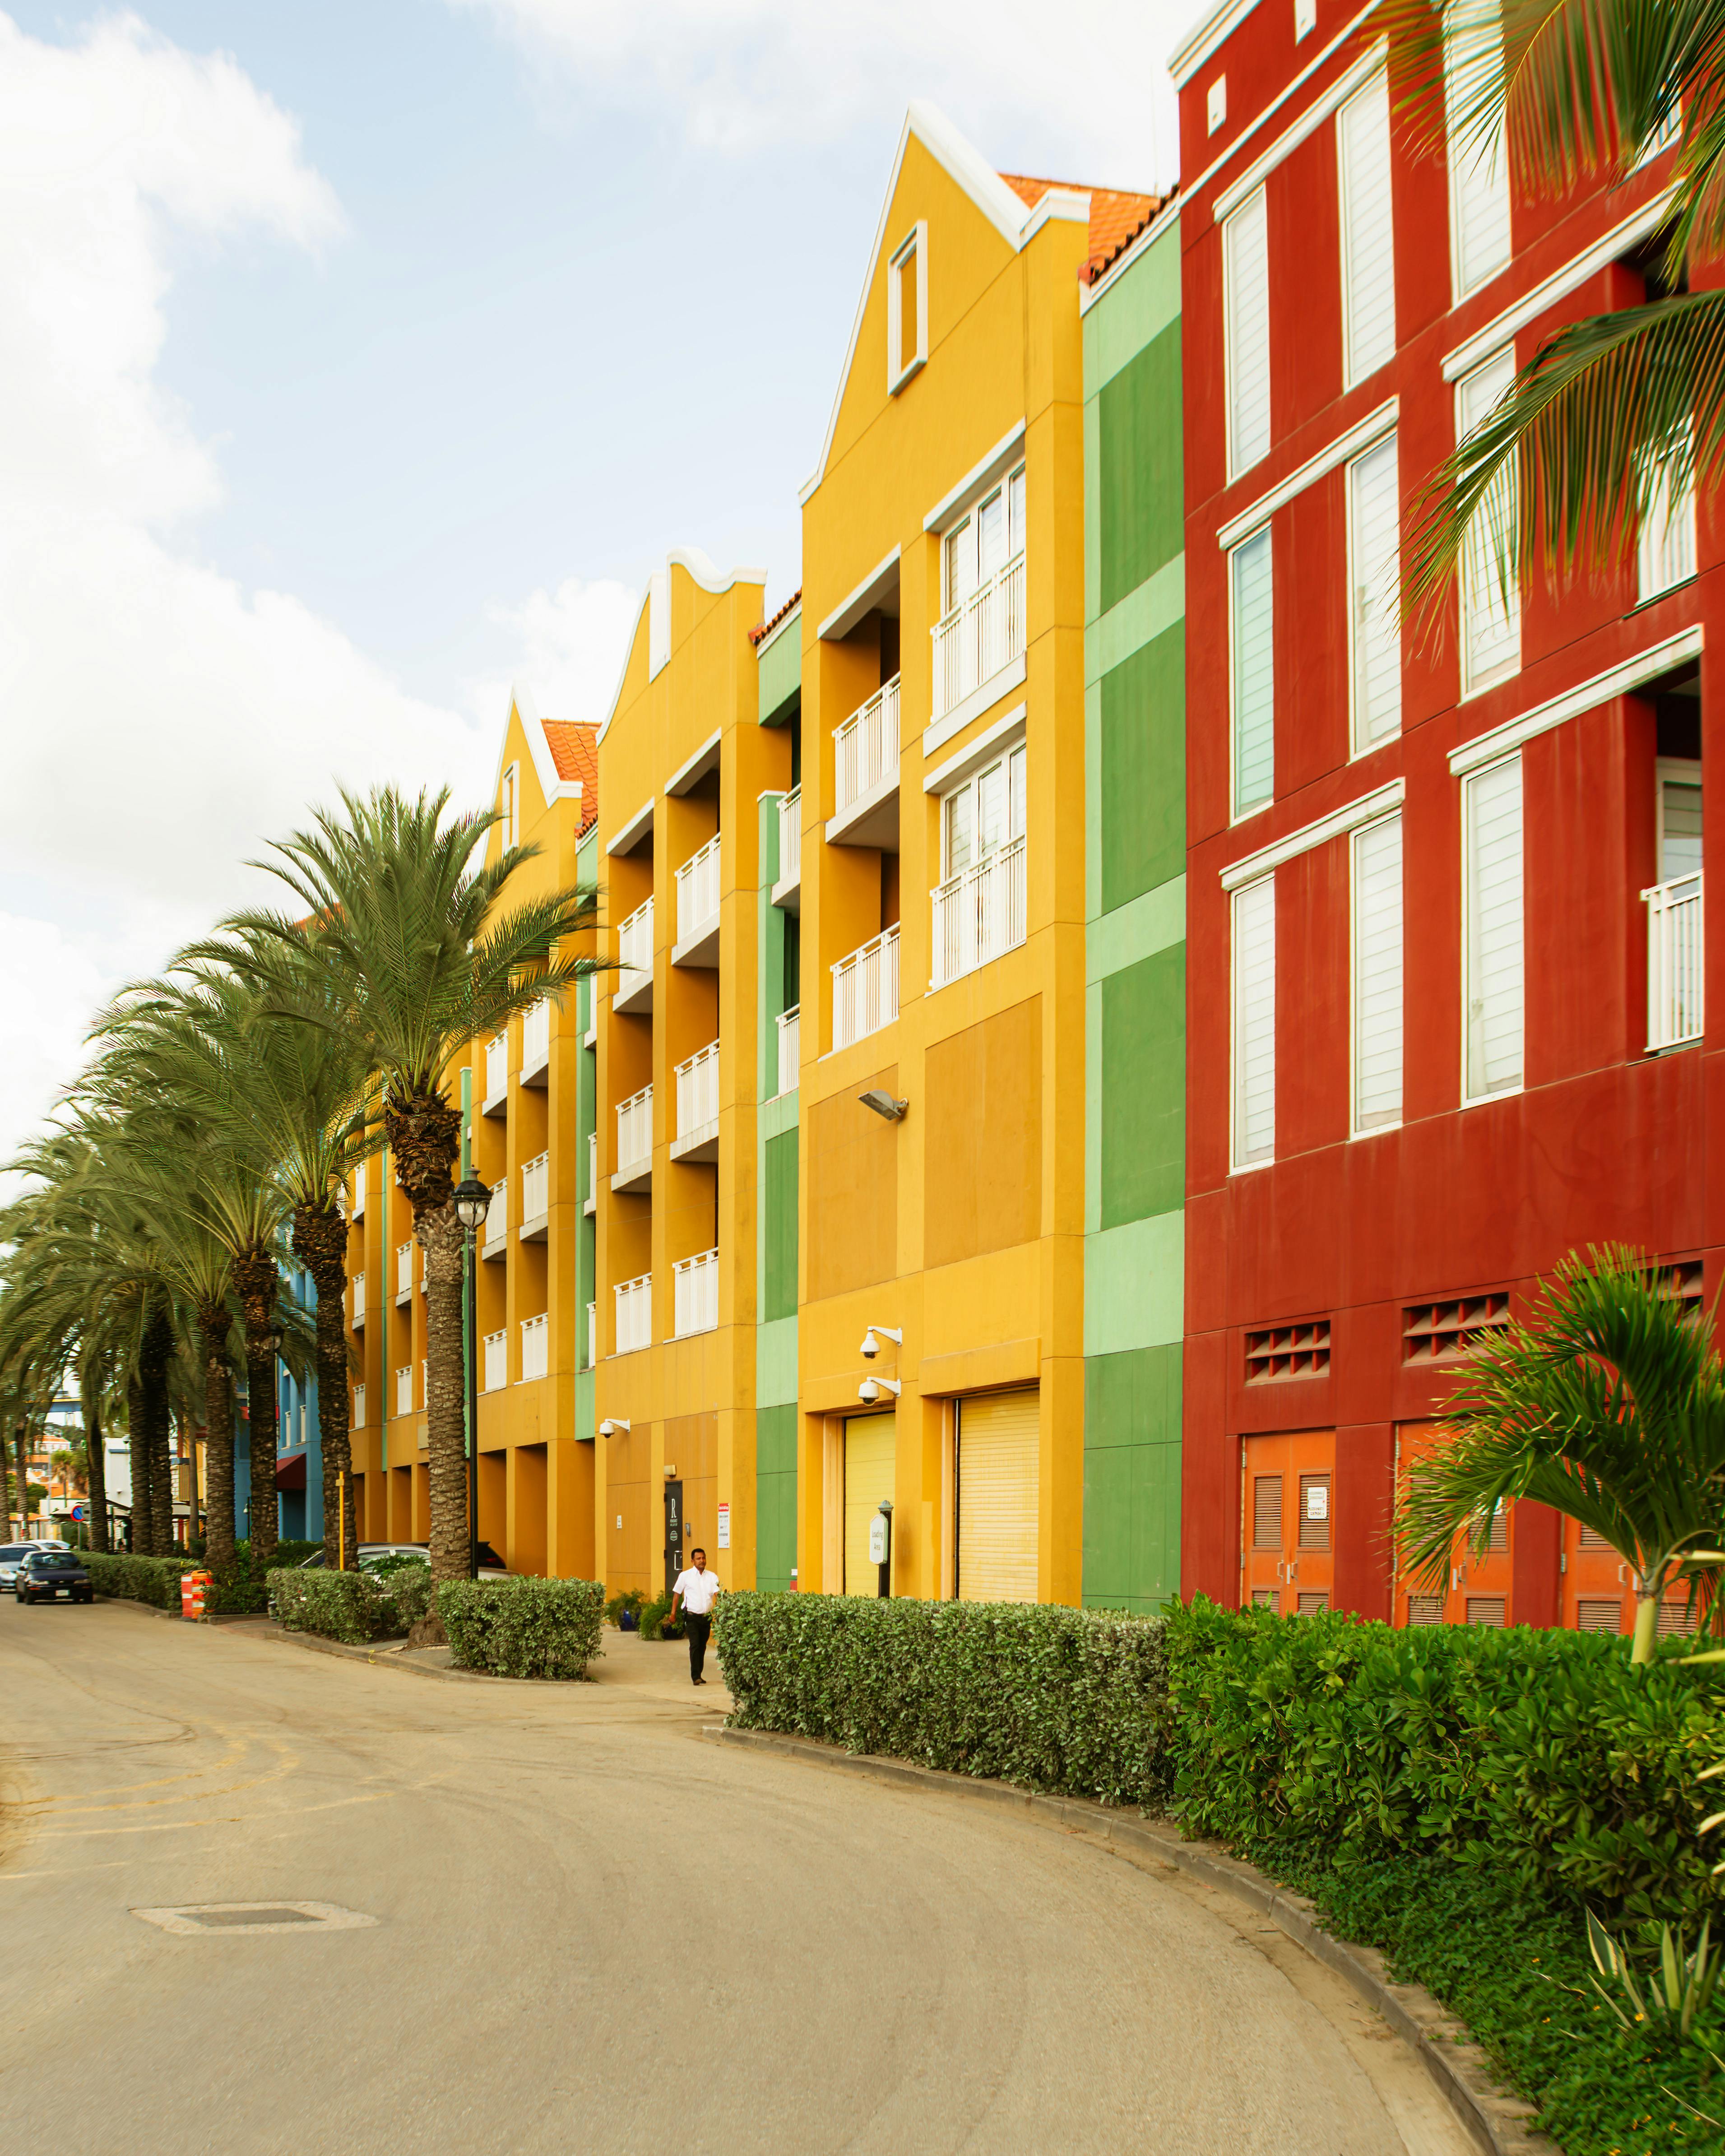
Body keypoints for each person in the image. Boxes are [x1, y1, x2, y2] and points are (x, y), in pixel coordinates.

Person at [669, 1547, 720, 1686]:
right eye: (699, 1559)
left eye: (703, 1558)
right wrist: (673, 1614)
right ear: (693, 1561)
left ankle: (699, 1674)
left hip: (706, 1617)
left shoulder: (712, 1577)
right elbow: (677, 1595)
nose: (702, 1561)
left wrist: (725, 1605)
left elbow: (717, 1594)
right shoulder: (685, 1576)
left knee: (702, 1646)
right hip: (691, 1616)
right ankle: (695, 1676)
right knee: (695, 1645)